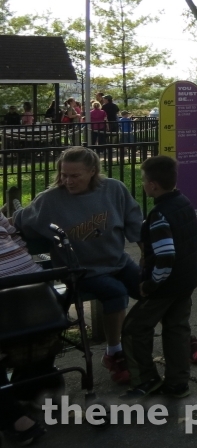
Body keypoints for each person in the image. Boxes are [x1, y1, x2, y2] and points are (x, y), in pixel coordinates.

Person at [14, 147, 143, 383]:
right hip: (81, 270)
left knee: (150, 288)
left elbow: (135, 223)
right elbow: (19, 221)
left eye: (75, 176)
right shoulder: (50, 200)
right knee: (116, 292)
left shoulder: (114, 189)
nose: (68, 181)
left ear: (92, 172)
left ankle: (157, 340)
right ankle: (114, 352)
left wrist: (147, 258)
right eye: (64, 175)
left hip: (117, 261)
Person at [120, 155, 197, 399]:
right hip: (186, 280)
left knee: (134, 328)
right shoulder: (183, 202)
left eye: (144, 180)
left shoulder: (159, 215)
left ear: (153, 185)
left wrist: (150, 284)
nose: (143, 184)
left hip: (165, 285)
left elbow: (165, 256)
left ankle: (145, 379)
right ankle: (178, 383)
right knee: (176, 328)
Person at [0, 211, 48, 444]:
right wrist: (21, 261)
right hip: (38, 293)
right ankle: (27, 388)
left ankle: (15, 418)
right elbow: (14, 236)